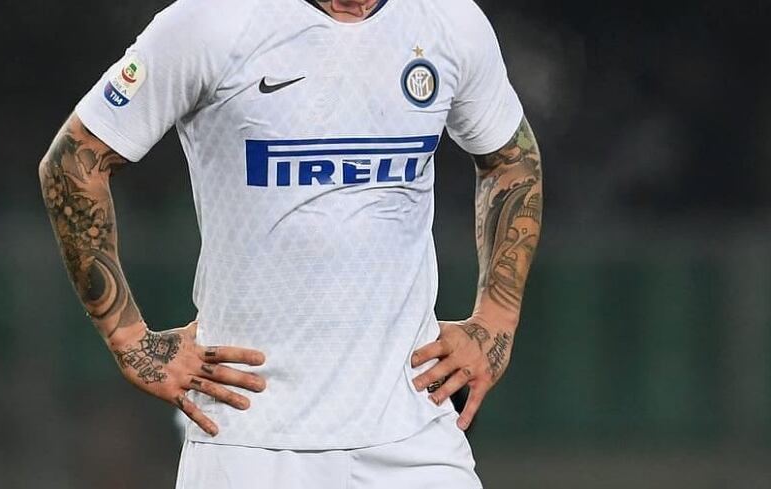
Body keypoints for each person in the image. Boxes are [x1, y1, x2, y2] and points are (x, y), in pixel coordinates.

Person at [38, 0, 542, 486]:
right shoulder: (210, 22)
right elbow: (73, 161)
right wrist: (130, 340)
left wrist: (496, 321)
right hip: (248, 438)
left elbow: (512, 162)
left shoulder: (449, 20)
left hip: (413, 433)